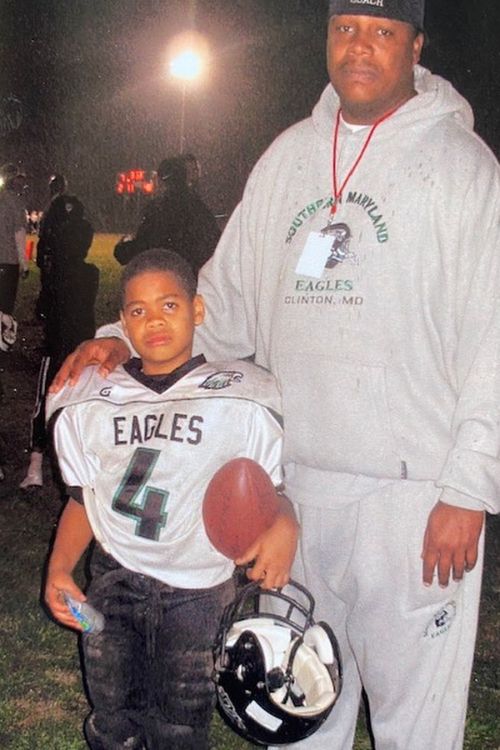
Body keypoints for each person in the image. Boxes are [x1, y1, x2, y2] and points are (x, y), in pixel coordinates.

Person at [50, 1, 500, 748]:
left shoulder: (465, 169)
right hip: (292, 490)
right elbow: (224, 305)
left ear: (415, 45)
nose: (360, 47)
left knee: (414, 720)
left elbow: (494, 332)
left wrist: (469, 487)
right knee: (296, 703)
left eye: (383, 32)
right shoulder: (291, 157)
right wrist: (117, 342)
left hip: (414, 494)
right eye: (346, 27)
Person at [44, 248, 298, 749]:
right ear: (122, 323)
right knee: (111, 710)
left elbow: (268, 491)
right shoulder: (94, 399)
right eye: (138, 311)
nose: (153, 321)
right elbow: (84, 498)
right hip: (115, 580)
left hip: (200, 591)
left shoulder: (241, 395)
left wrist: (285, 523)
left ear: (197, 311)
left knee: (182, 721)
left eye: (169, 306)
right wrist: (60, 567)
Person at [20, 195, 97, 488]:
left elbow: (43, 309)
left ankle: (35, 466)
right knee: (78, 403)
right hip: (81, 348)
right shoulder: (91, 273)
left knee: (45, 402)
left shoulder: (57, 275)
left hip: (56, 349)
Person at [113, 155, 220, 276]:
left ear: (162, 180)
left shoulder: (158, 208)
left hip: (166, 280)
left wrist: (122, 247)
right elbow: (213, 244)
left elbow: (144, 246)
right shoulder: (199, 207)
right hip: (193, 280)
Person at [34, 173, 68, 321]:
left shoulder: (55, 204)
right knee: (50, 281)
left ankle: (46, 311)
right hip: (51, 248)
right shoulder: (56, 204)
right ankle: (46, 311)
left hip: (49, 248)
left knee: (49, 281)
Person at [0, 163, 28, 316]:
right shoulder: (15, 202)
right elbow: (19, 233)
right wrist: (24, 263)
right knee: (6, 306)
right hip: (8, 260)